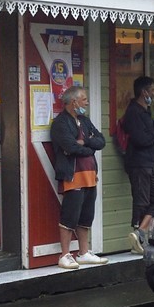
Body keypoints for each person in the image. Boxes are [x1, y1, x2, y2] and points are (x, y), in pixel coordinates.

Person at [49, 85, 108, 269]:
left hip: (90, 175)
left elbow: (101, 141)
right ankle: (65, 255)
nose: (87, 102)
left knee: (86, 215)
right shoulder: (60, 123)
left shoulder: (85, 120)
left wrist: (87, 142)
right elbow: (71, 147)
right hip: (73, 175)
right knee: (69, 215)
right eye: (84, 99)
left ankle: (83, 253)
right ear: (73, 102)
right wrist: (90, 147)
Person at [121, 75, 154, 254]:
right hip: (138, 163)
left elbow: (147, 127)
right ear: (144, 92)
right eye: (153, 90)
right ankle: (136, 235)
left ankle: (141, 231)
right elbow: (141, 139)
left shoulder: (144, 111)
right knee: (141, 200)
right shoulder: (133, 112)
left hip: (148, 163)